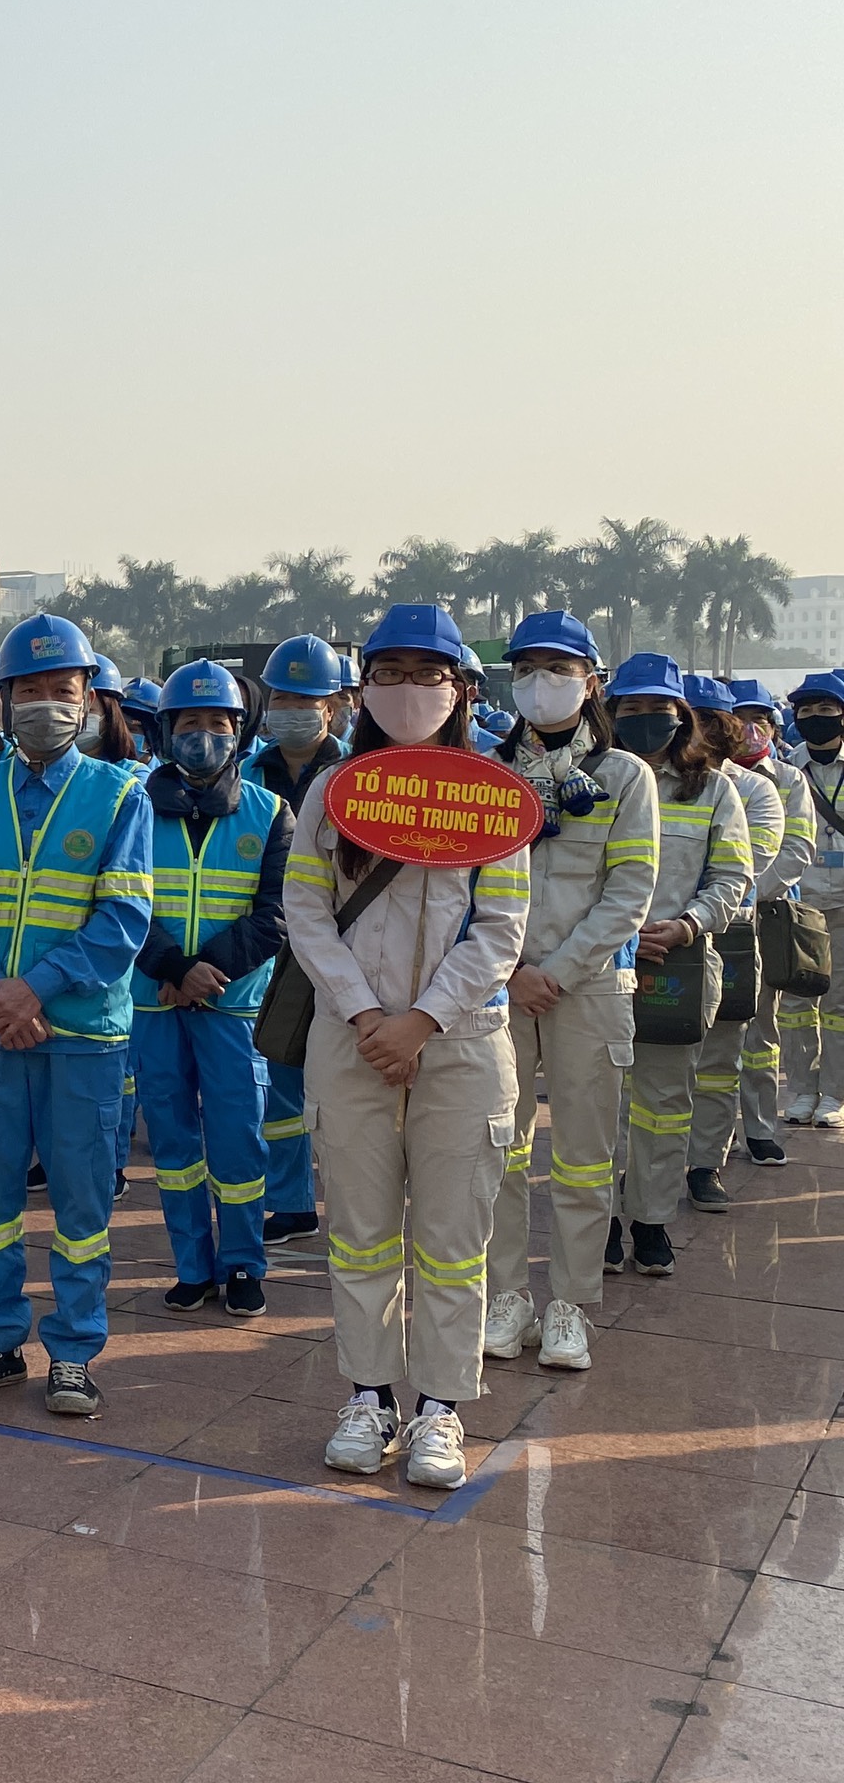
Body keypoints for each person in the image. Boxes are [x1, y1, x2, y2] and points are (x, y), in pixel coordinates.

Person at [284, 605, 529, 1489]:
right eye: (388, 673)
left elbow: (503, 929)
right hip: (352, 1044)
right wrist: (363, 1017)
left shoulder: (496, 790)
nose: (406, 690)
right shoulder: (330, 790)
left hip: (461, 1044)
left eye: (427, 674)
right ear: (363, 688)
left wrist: (421, 1021)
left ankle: (441, 1409)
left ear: (462, 688)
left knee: (454, 1240)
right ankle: (369, 1396)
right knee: (359, 1236)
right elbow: (306, 913)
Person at [0, 614, 152, 1416]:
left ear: (88, 698)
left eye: (63, 690)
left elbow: (123, 922)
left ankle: (74, 1350)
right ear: (1, 697)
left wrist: (35, 989)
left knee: (82, 1203)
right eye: (29, 690)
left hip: (80, 1033)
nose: (45, 704)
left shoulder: (122, 793)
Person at [480, 612, 656, 1373]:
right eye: (528, 668)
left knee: (584, 1157)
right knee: (498, 1152)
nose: (541, 682)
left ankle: (571, 1307)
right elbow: (466, 885)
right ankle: (506, 1295)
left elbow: (631, 889)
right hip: (501, 987)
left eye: (559, 667)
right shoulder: (486, 770)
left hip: (587, 988)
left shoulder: (625, 776)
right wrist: (512, 969)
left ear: (591, 680)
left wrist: (559, 969)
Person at [133, 659, 292, 1317]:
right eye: (190, 723)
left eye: (219, 723)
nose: (205, 735)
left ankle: (245, 1263)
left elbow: (275, 914)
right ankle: (192, 1264)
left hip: (232, 1008)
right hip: (154, 1001)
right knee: (171, 1145)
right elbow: (113, 900)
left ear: (241, 731)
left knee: (237, 1140)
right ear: (166, 733)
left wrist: (206, 973)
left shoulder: (271, 811)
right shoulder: (133, 806)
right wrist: (173, 968)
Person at [604, 654, 750, 1278]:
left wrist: (687, 923)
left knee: (664, 1101)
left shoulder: (716, 789)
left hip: (677, 964)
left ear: (681, 716)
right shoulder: (589, 780)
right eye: (629, 708)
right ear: (609, 714)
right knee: (599, 1101)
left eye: (657, 709)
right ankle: (601, 1219)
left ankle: (651, 1219)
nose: (643, 719)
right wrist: (618, 930)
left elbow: (732, 876)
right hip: (600, 963)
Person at [245, 634, 351, 1247]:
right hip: (272, 947)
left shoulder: (354, 774)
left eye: (304, 698)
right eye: (281, 695)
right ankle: (291, 1201)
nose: (290, 708)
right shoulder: (249, 772)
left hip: (343, 942)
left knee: (349, 1080)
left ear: (331, 707)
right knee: (281, 1071)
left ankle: (354, 1199)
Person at [684, 671, 790, 1211]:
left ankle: (705, 1165)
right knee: (648, 1067)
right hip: (660, 938)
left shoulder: (756, 790)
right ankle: (649, 1169)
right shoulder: (647, 781)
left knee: (721, 1060)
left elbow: (753, 862)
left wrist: (687, 902)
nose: (692, 729)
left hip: (730, 936)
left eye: (705, 720)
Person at [728, 680, 813, 1164]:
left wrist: (741, 896)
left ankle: (759, 1128)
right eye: (738, 715)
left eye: (759, 716)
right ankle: (708, 1142)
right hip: (701, 920)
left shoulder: (788, 779)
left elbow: (796, 850)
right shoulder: (699, 776)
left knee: (760, 1032)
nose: (747, 727)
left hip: (762, 918)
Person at [779, 672, 844, 1127]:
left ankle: (834, 1095)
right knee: (798, 1007)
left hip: (843, 907)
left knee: (838, 1009)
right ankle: (801, 1090)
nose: (815, 718)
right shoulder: (785, 770)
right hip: (799, 909)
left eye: (826, 709)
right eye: (806, 710)